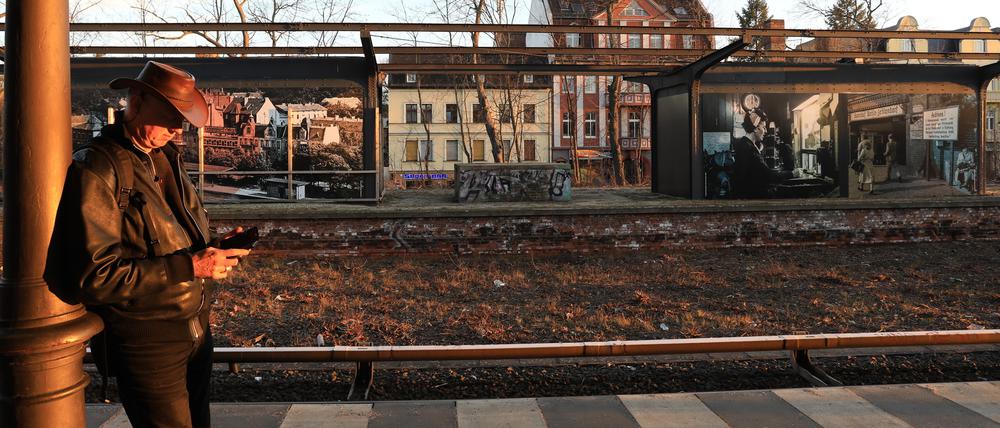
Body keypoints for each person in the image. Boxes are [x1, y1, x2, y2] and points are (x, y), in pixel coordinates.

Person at [46, 61, 251, 428]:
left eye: (181, 120)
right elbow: (96, 276)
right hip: (147, 344)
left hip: (194, 331)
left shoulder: (164, 157)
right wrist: (191, 267)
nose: (177, 129)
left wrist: (215, 247)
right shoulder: (97, 168)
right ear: (136, 103)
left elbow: (169, 239)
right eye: (169, 117)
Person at [732, 109, 792, 198]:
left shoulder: (746, 144)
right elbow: (768, 175)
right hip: (750, 198)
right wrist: (792, 174)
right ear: (755, 128)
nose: (766, 131)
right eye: (763, 127)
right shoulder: (748, 148)